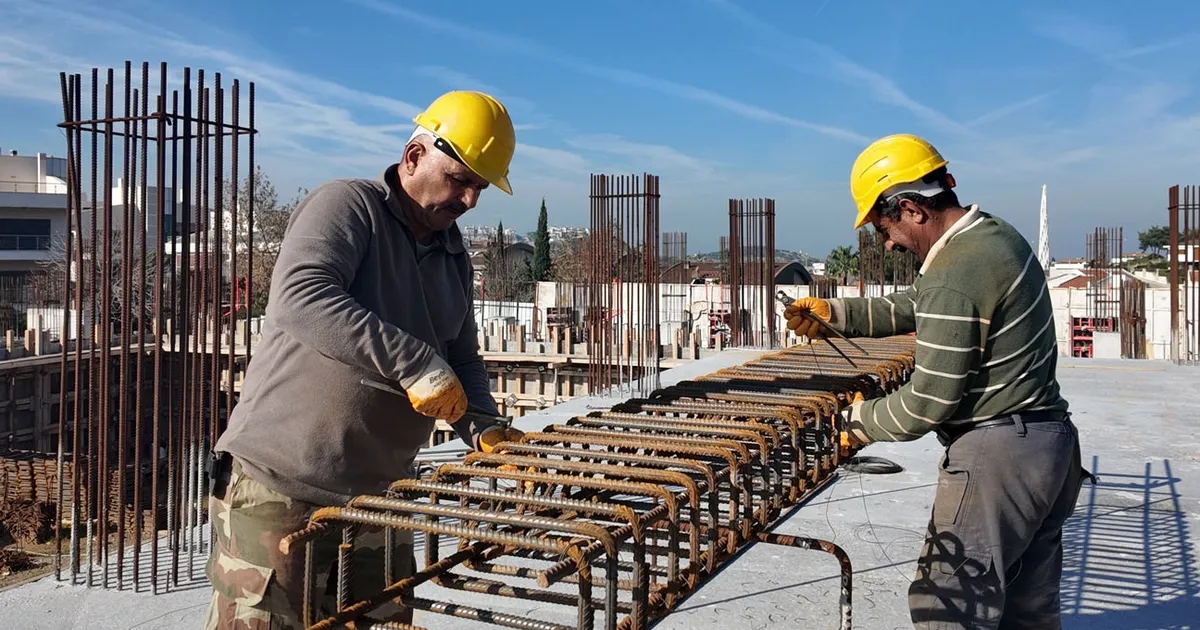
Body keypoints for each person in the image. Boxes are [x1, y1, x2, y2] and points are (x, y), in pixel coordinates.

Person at [203, 90, 526, 629]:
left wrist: (484, 425)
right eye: (460, 179)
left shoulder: (453, 257)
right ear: (415, 156)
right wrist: (414, 363)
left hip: (379, 500)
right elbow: (302, 297)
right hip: (281, 488)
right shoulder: (349, 206)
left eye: (480, 188)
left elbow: (462, 357)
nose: (469, 201)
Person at [785, 134, 1085, 629]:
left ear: (911, 208)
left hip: (1000, 459)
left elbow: (927, 403)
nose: (886, 242)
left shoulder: (957, 268)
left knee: (946, 609)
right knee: (1026, 615)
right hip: (1049, 448)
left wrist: (859, 422)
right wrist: (834, 312)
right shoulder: (991, 236)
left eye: (885, 227)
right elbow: (916, 305)